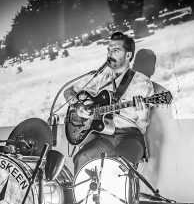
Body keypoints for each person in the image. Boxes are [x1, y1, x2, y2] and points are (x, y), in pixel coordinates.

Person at [63, 31, 154, 173]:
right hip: (105, 136)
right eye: (109, 50)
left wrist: (143, 116)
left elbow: (142, 126)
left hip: (129, 136)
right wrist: (77, 105)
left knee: (124, 165)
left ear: (128, 55)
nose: (110, 54)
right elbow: (68, 92)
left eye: (115, 50)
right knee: (81, 158)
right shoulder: (100, 77)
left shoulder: (142, 83)